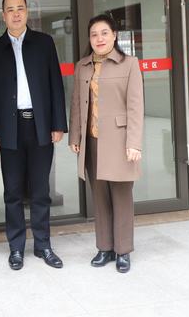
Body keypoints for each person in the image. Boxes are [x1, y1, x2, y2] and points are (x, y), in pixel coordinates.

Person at [0, 0, 68, 271]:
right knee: (13, 192)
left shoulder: (44, 43)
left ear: (27, 12)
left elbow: (55, 84)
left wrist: (58, 124)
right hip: (9, 128)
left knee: (41, 190)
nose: (16, 13)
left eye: (20, 8)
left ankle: (43, 245)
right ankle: (16, 247)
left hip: (40, 125)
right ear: (3, 15)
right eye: (10, 9)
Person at [68, 14, 144, 273]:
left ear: (114, 36)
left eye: (104, 33)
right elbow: (77, 104)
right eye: (94, 34)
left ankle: (123, 251)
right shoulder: (82, 66)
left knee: (121, 197)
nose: (99, 39)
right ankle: (105, 247)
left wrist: (134, 143)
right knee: (99, 199)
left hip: (120, 142)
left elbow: (135, 107)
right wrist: (75, 136)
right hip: (92, 141)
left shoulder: (129, 64)